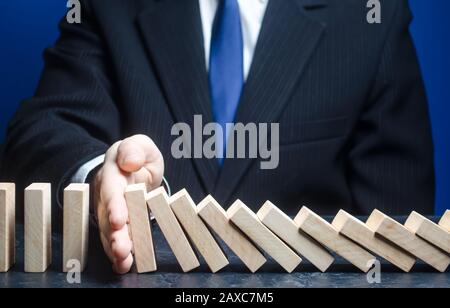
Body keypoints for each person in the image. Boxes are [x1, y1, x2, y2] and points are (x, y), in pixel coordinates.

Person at [2, 0, 435, 274]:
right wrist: (100, 180)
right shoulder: (109, 6)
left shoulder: (370, 15)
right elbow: (40, 130)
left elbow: (400, 238)